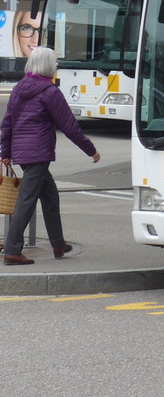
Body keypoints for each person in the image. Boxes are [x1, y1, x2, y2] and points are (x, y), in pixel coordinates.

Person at [0, 46, 100, 266]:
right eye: (54, 62)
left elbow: (7, 122)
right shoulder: (50, 92)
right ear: (48, 65)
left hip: (23, 153)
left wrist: (5, 151)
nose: (56, 66)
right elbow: (69, 126)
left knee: (50, 196)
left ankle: (58, 243)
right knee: (27, 200)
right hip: (38, 153)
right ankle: (12, 249)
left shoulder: (19, 88)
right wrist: (90, 149)